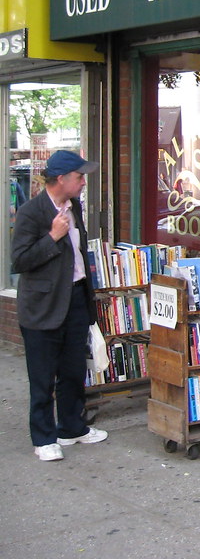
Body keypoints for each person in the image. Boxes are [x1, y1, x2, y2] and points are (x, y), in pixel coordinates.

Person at [13, 150, 108, 462]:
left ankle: (72, 428)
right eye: (79, 177)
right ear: (60, 179)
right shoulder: (31, 212)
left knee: (73, 370)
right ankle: (43, 438)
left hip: (76, 298)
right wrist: (53, 237)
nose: (83, 182)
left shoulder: (74, 206)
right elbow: (20, 260)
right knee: (42, 375)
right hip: (43, 305)